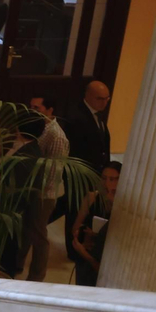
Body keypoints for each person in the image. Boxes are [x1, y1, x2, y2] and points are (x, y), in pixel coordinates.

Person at [22, 95, 69, 283]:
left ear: (50, 110)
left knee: (38, 236)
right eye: (31, 106)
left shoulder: (56, 135)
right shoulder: (38, 128)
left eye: (37, 107)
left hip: (44, 193)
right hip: (32, 189)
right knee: (26, 230)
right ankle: (18, 264)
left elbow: (54, 170)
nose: (32, 109)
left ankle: (36, 276)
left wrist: (39, 193)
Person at [61, 80, 111, 252]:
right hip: (80, 173)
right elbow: (75, 150)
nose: (104, 102)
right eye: (100, 98)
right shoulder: (77, 117)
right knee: (75, 209)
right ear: (88, 96)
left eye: (107, 99)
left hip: (94, 172)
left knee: (74, 206)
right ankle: (73, 248)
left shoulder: (96, 115)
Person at [70, 161, 121, 287]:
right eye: (104, 178)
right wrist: (82, 234)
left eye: (112, 179)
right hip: (87, 253)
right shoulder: (92, 198)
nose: (106, 183)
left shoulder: (123, 205)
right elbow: (75, 228)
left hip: (108, 261)